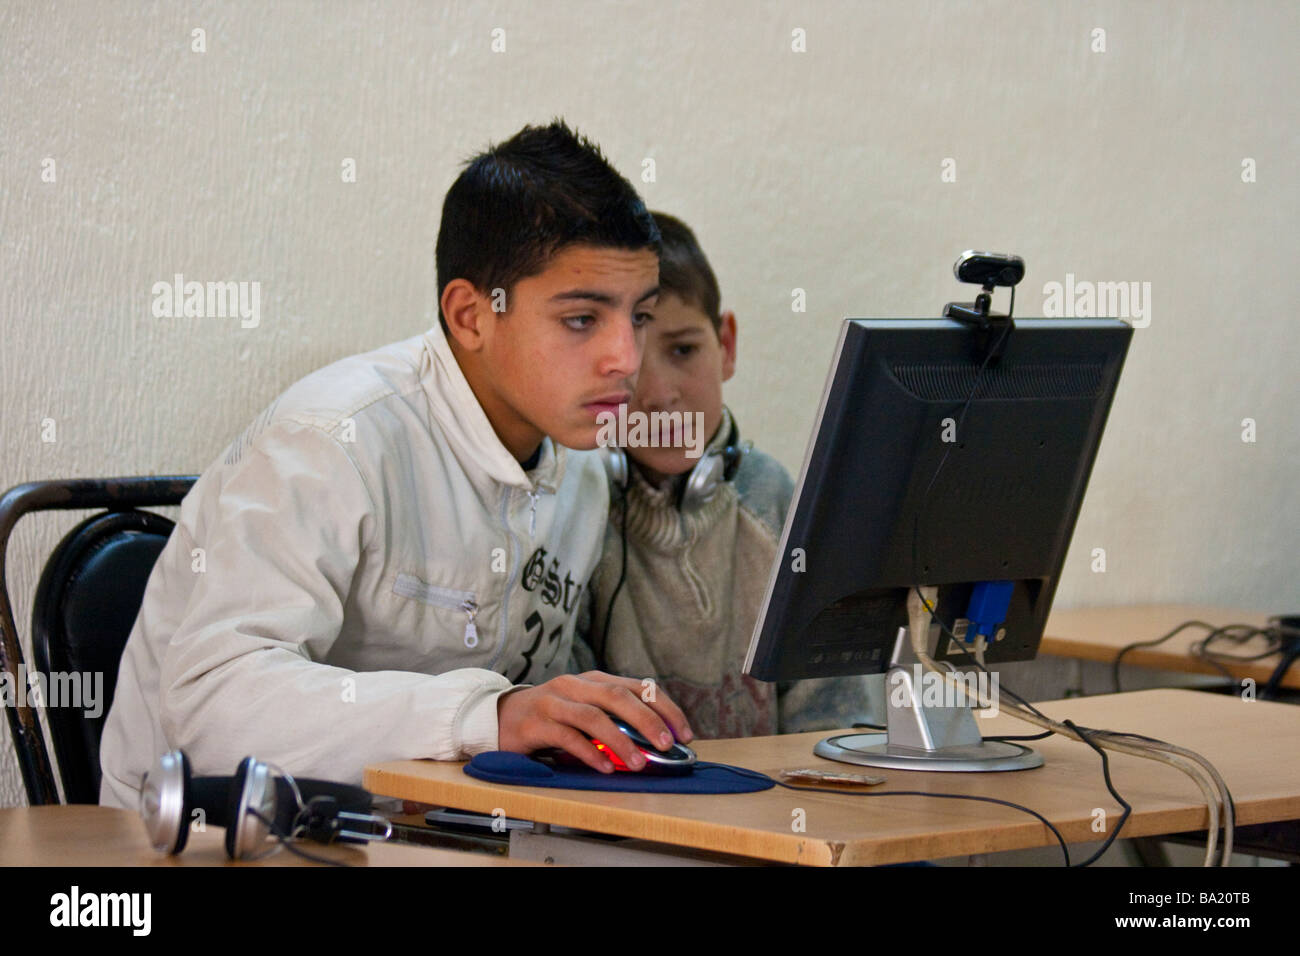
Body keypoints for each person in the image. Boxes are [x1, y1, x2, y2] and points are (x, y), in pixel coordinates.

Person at [99, 121, 694, 809]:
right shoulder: (333, 440)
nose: (625, 356)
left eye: (640, 317)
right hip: (213, 840)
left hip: (438, 834)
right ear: (471, 316)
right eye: (582, 319)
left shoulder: (584, 465)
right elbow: (210, 711)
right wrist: (485, 717)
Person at [572, 212, 871, 738]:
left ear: (726, 346)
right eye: (634, 362)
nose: (661, 394)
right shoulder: (576, 509)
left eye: (683, 350)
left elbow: (836, 728)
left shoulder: (778, 507)